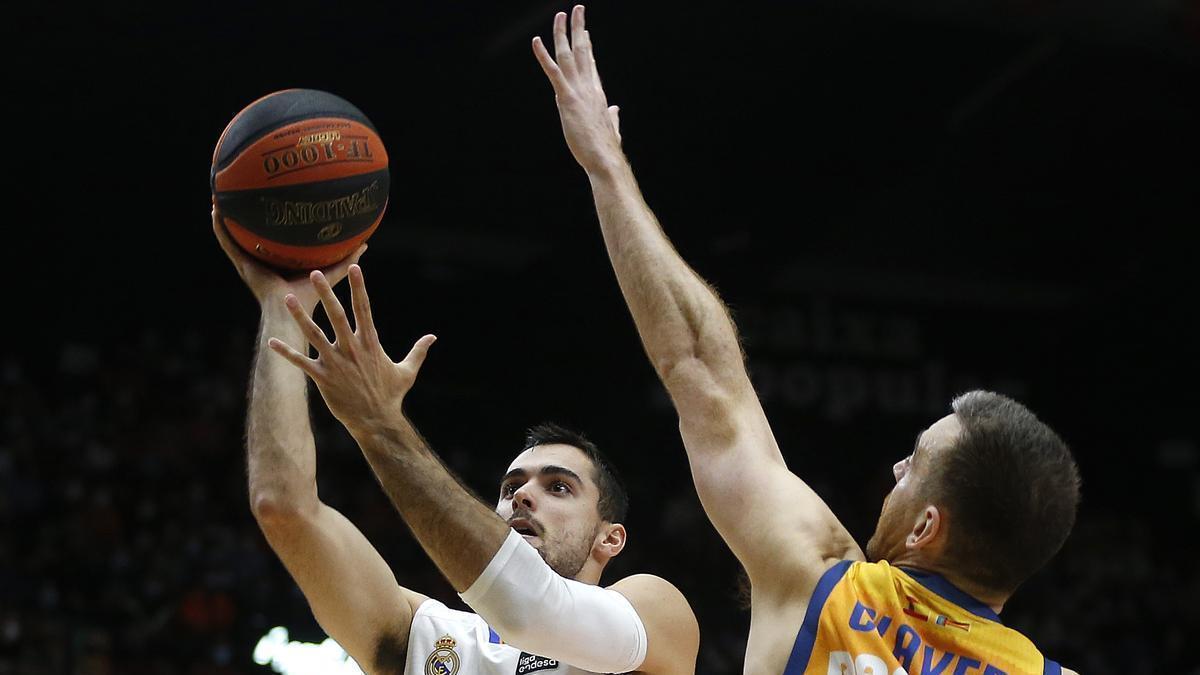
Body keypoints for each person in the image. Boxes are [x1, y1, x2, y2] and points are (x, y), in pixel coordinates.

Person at [531, 7, 1081, 674]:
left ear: (925, 528)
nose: (896, 471)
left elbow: (699, 367)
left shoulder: (827, 585)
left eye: (914, 462)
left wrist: (606, 166)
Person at [212, 211, 699, 675]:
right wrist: (283, 309)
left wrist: (378, 425)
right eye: (510, 489)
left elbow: (532, 611)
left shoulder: (654, 614)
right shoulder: (432, 639)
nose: (522, 496)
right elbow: (284, 508)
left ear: (609, 538)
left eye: (559, 488)